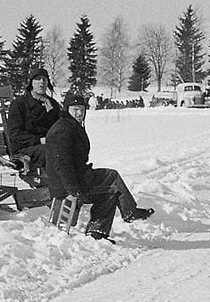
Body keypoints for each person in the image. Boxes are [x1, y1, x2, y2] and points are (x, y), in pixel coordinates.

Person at [45, 91, 154, 241]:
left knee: (110, 191)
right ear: (66, 110)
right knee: (112, 178)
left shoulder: (71, 126)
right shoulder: (63, 130)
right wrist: (73, 191)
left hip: (78, 177)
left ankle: (98, 232)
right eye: (75, 110)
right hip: (67, 184)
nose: (79, 113)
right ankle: (129, 212)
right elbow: (63, 165)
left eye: (82, 110)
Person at [5, 68, 61, 174]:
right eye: (38, 79)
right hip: (24, 148)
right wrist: (39, 140)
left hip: (49, 143)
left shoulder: (52, 104)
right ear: (31, 83)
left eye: (44, 79)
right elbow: (15, 133)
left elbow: (59, 126)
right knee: (51, 151)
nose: (42, 82)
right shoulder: (19, 104)